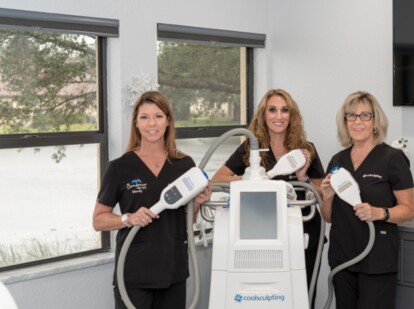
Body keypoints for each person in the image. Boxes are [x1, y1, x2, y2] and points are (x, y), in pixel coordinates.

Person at [92, 91, 211, 309]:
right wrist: (129, 218)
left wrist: (196, 205)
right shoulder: (120, 167)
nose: (151, 124)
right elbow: (98, 220)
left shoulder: (184, 165)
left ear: (168, 121)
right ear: (136, 123)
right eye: (144, 117)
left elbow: (186, 222)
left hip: (172, 272)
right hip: (134, 273)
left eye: (158, 116)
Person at [211, 88, 325, 308]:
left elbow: (323, 195)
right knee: (270, 295)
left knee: (302, 296)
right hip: (263, 233)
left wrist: (304, 178)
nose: (279, 116)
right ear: (264, 115)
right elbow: (218, 180)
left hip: (304, 231)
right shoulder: (250, 149)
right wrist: (253, 180)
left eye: (284, 110)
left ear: (292, 116)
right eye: (272, 110)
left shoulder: (305, 150)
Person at [319, 91, 414, 308]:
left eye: (365, 115)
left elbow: (409, 210)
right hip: (343, 258)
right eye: (351, 116)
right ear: (344, 122)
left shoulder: (392, 158)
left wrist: (379, 212)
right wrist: (326, 198)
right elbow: (329, 217)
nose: (357, 121)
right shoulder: (338, 160)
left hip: (377, 260)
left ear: (375, 121)